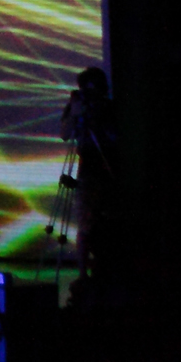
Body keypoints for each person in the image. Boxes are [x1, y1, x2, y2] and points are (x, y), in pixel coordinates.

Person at [61, 66, 117, 281]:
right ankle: (83, 274)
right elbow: (65, 134)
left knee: (107, 222)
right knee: (85, 223)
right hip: (87, 173)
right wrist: (75, 114)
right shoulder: (77, 105)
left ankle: (104, 269)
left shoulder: (109, 108)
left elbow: (114, 136)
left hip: (109, 170)